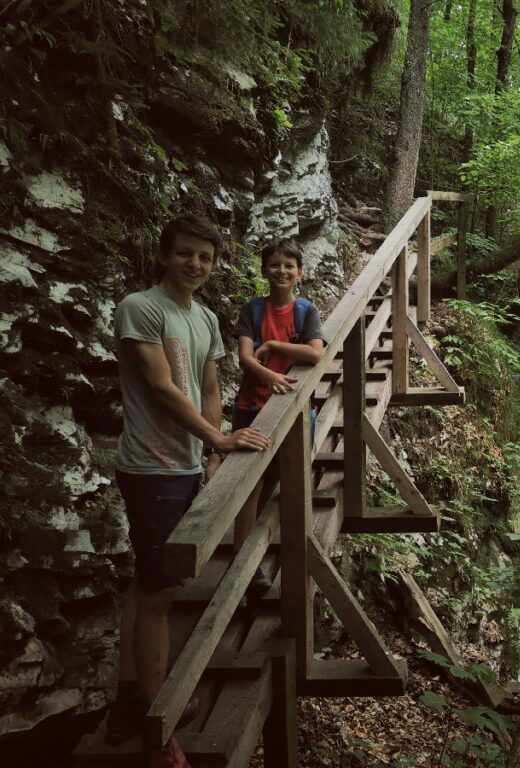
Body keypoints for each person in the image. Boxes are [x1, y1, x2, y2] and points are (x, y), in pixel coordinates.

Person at [108, 215, 272, 768]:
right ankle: (161, 728)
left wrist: (214, 449)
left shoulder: (204, 317)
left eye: (205, 257)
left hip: (183, 464)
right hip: (150, 468)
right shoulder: (141, 307)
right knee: (161, 594)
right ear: (164, 255)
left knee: (146, 579)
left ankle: (131, 697)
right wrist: (217, 436)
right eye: (185, 254)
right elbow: (159, 387)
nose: (195, 265)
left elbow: (207, 386)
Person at [225, 239, 325, 592]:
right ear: (264, 269)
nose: (282, 270)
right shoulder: (253, 310)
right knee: (247, 483)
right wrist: (271, 376)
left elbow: (316, 353)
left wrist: (277, 346)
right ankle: (242, 565)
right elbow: (245, 358)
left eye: (289, 265)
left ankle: (259, 543)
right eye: (274, 264)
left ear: (299, 272)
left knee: (272, 479)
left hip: (289, 411)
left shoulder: (305, 311)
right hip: (252, 406)